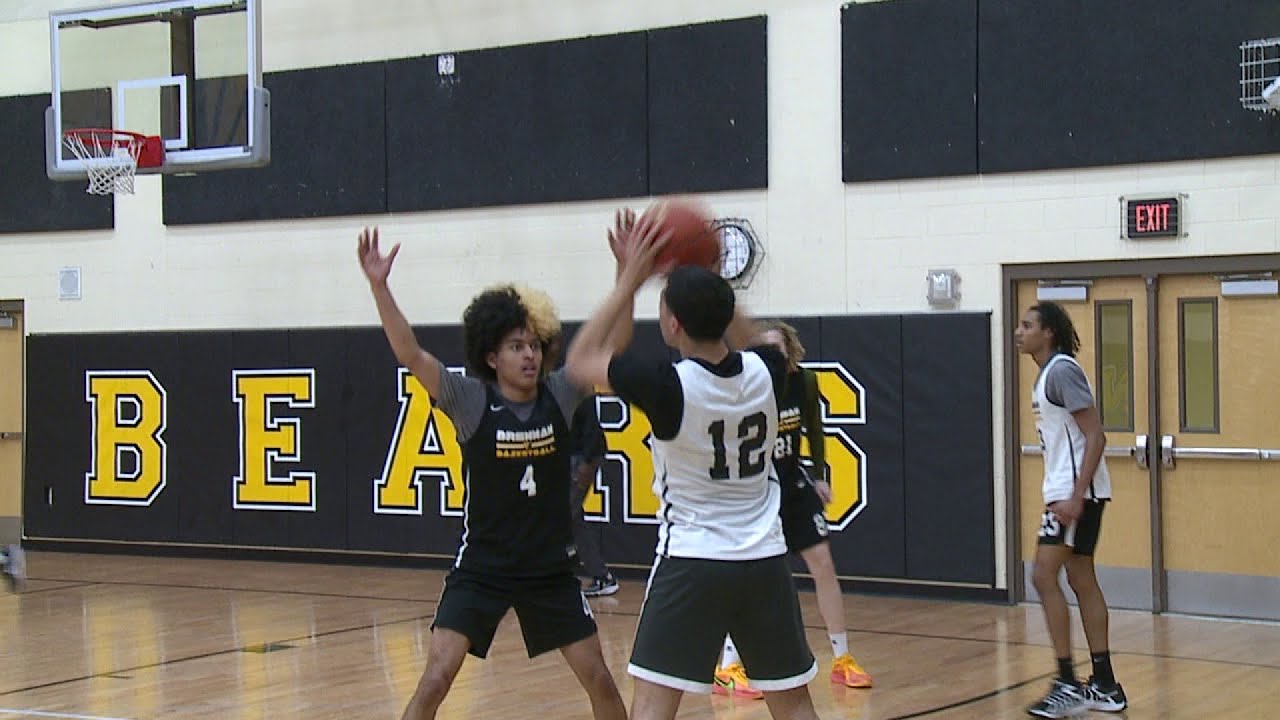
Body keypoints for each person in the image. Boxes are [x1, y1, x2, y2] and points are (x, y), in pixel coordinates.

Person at [357, 227, 626, 720]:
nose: (529, 355)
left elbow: (613, 344)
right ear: (490, 356)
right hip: (483, 566)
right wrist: (380, 286)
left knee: (601, 679)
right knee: (436, 677)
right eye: (516, 346)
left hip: (550, 570)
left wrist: (625, 276)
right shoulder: (469, 400)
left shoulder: (561, 393)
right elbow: (410, 354)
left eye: (534, 346)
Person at [565, 207, 820, 720]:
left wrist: (630, 279)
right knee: (792, 706)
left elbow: (581, 360)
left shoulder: (668, 386)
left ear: (672, 323)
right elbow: (748, 335)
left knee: (654, 708)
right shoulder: (768, 368)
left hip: (693, 561)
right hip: (764, 561)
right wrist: (706, 269)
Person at [713, 320, 871, 700]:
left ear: (790, 350)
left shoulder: (803, 382)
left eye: (778, 348)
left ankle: (842, 658)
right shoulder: (745, 387)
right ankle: (728, 667)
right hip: (755, 487)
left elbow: (814, 429)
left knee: (823, 563)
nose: (773, 355)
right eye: (764, 349)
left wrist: (818, 474)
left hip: (793, 481)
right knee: (747, 575)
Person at [1015, 301, 1127, 718]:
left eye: (1027, 325)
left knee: (1043, 575)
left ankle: (1068, 682)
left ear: (1049, 333)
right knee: (1080, 576)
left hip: (1075, 494)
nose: (1018, 332)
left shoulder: (1061, 371)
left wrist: (1077, 494)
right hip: (1073, 491)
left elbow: (1096, 435)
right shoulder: (1047, 375)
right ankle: (1104, 684)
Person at [568, 397, 619, 597]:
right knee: (573, 520)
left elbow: (594, 433)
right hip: (574, 457)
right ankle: (602, 576)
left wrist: (586, 464)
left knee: (559, 517)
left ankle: (553, 574)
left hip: (582, 457)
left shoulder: (574, 387)